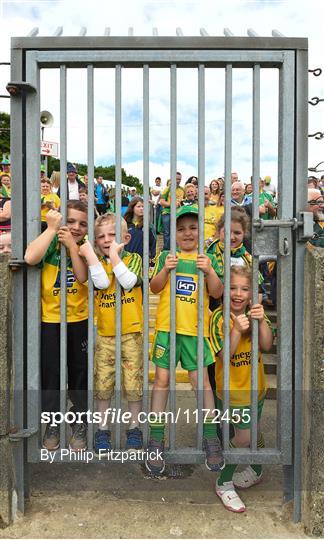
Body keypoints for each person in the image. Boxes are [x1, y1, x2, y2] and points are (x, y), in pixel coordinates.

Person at [145, 205, 224, 475]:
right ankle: (156, 439)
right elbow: (154, 287)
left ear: (202, 230)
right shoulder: (168, 256)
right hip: (168, 328)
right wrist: (165, 270)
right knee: (162, 381)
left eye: (192, 227)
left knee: (200, 382)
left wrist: (210, 271)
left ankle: (211, 437)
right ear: (173, 233)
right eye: (181, 229)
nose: (187, 233)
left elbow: (217, 292)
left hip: (196, 331)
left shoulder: (206, 258)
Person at [24, 201, 89, 452]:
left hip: (78, 321)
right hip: (50, 320)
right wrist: (51, 229)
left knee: (79, 375)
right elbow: (30, 257)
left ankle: (79, 422)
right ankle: (52, 423)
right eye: (71, 221)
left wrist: (73, 247)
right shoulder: (50, 243)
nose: (76, 227)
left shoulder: (85, 248)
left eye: (82, 224)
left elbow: (82, 277)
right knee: (51, 374)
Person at [210, 266, 273, 513]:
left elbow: (267, 345)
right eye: (233, 287)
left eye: (244, 289)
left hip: (256, 388)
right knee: (244, 437)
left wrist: (260, 320)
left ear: (252, 293)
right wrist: (237, 329)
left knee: (254, 430)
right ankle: (223, 481)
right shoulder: (218, 317)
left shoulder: (254, 313)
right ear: (225, 290)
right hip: (232, 393)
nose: (238, 294)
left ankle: (256, 469)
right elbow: (225, 355)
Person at [79, 213, 144, 454]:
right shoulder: (96, 262)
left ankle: (134, 428)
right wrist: (92, 256)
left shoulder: (134, 258)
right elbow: (101, 284)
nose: (106, 240)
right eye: (101, 237)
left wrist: (115, 255)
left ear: (126, 238)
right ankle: (102, 429)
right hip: (105, 334)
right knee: (103, 383)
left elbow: (128, 282)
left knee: (133, 384)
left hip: (132, 332)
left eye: (112, 235)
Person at [124, 196, 156, 261]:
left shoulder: (149, 226)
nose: (141, 208)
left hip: (142, 261)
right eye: (138, 206)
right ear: (132, 208)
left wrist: (152, 258)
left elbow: (153, 244)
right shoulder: (125, 224)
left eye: (143, 206)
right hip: (126, 260)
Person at [160, 172, 185, 250]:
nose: (178, 181)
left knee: (178, 232)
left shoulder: (182, 189)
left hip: (179, 213)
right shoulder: (167, 189)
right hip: (167, 213)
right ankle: (166, 250)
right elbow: (162, 202)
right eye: (177, 179)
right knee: (167, 232)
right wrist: (172, 204)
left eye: (179, 179)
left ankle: (176, 249)